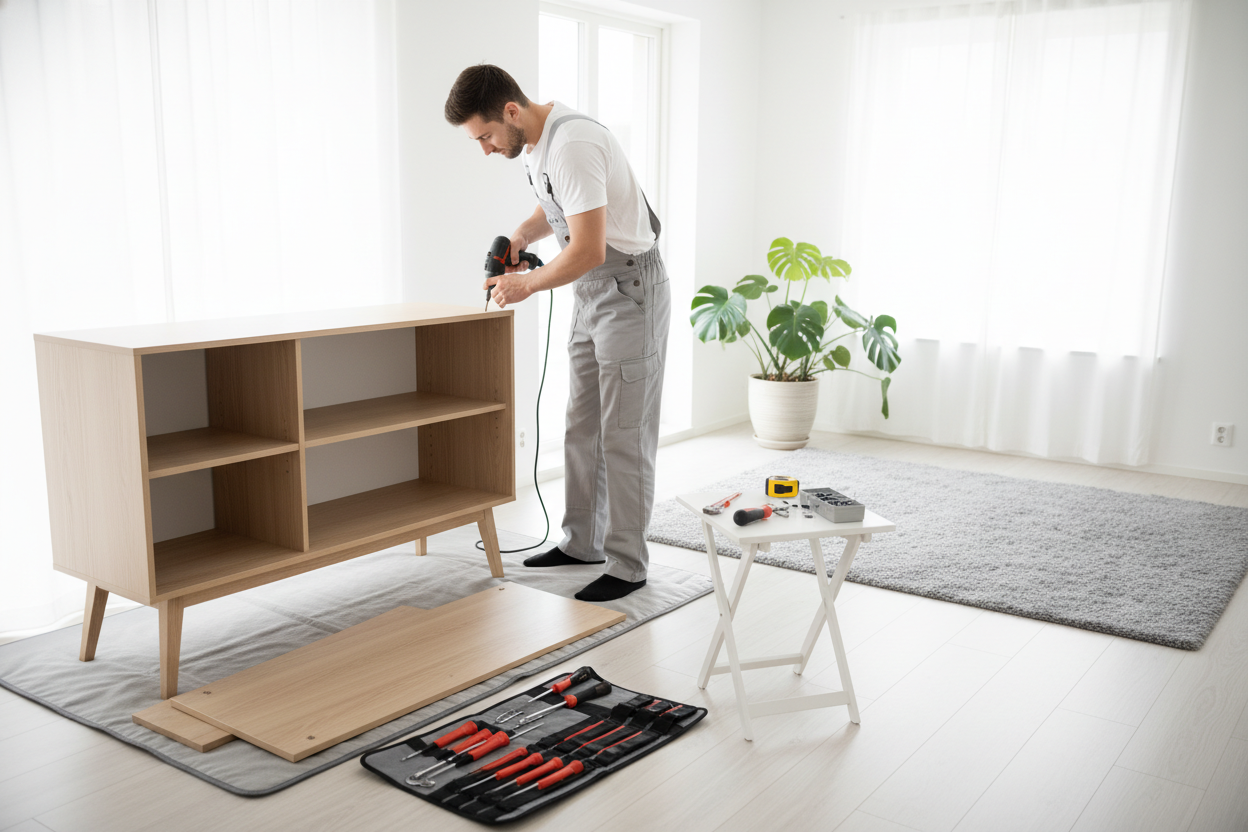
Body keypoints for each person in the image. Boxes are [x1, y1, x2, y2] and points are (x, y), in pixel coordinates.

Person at [444, 65, 670, 603]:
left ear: (512, 112)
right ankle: (581, 543)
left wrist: (526, 286)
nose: (486, 149)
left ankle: (628, 564)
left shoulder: (574, 143)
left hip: (626, 289)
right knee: (582, 425)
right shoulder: (538, 148)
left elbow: (589, 248)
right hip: (589, 290)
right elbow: (563, 209)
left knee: (624, 433)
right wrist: (523, 234)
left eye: (486, 136)